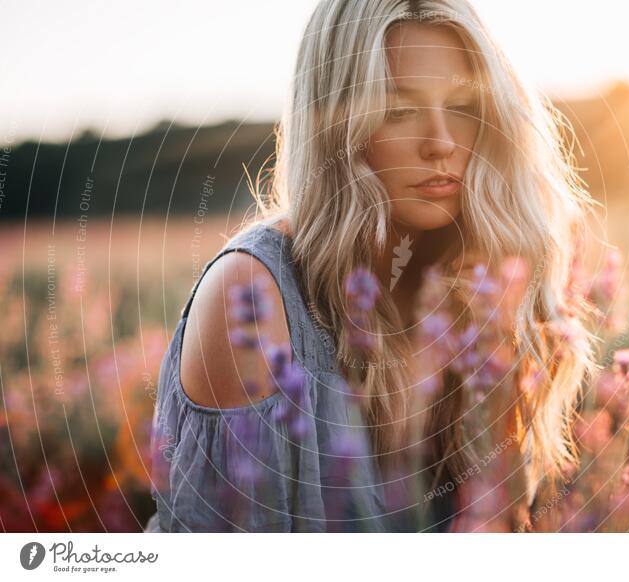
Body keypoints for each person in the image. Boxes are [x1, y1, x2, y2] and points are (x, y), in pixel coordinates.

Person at [144, 0, 599, 533]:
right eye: (399, 109)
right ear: (337, 128)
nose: (442, 143)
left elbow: (498, 524)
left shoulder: (476, 284)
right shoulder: (253, 297)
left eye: (461, 107)